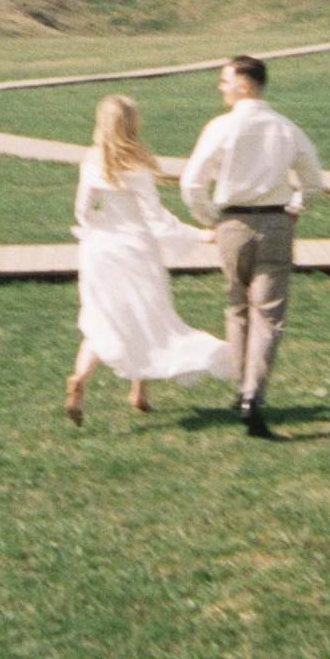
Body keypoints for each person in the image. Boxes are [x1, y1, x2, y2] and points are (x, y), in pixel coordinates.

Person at [65, 95, 234, 425]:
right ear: (132, 124)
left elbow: (82, 210)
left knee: (104, 318)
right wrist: (198, 235)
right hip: (136, 249)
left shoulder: (91, 160)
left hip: (99, 249)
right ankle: (139, 391)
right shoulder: (138, 165)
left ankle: (83, 378)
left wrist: (98, 227)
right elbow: (155, 218)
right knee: (148, 316)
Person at [180, 54, 325, 439]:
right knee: (269, 314)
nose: (220, 86)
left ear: (245, 83)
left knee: (238, 306)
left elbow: (192, 183)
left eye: (225, 80)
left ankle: (241, 389)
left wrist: (213, 218)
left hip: (232, 224)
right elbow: (312, 181)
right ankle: (252, 396)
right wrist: (295, 209)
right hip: (275, 224)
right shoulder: (285, 128)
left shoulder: (220, 128)